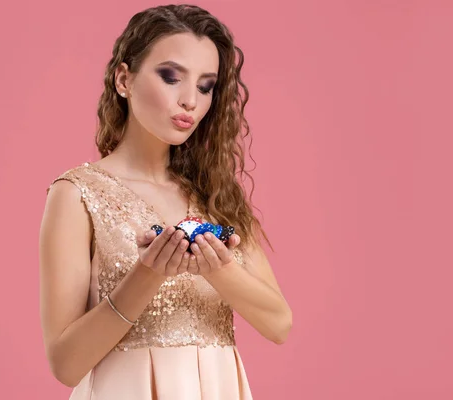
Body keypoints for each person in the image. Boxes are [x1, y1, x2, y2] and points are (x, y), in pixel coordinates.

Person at [39, 4, 292, 399]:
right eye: (171, 77)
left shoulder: (215, 195)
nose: (190, 100)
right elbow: (66, 365)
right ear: (124, 79)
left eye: (206, 86)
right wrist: (148, 274)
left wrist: (218, 268)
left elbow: (279, 325)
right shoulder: (77, 194)